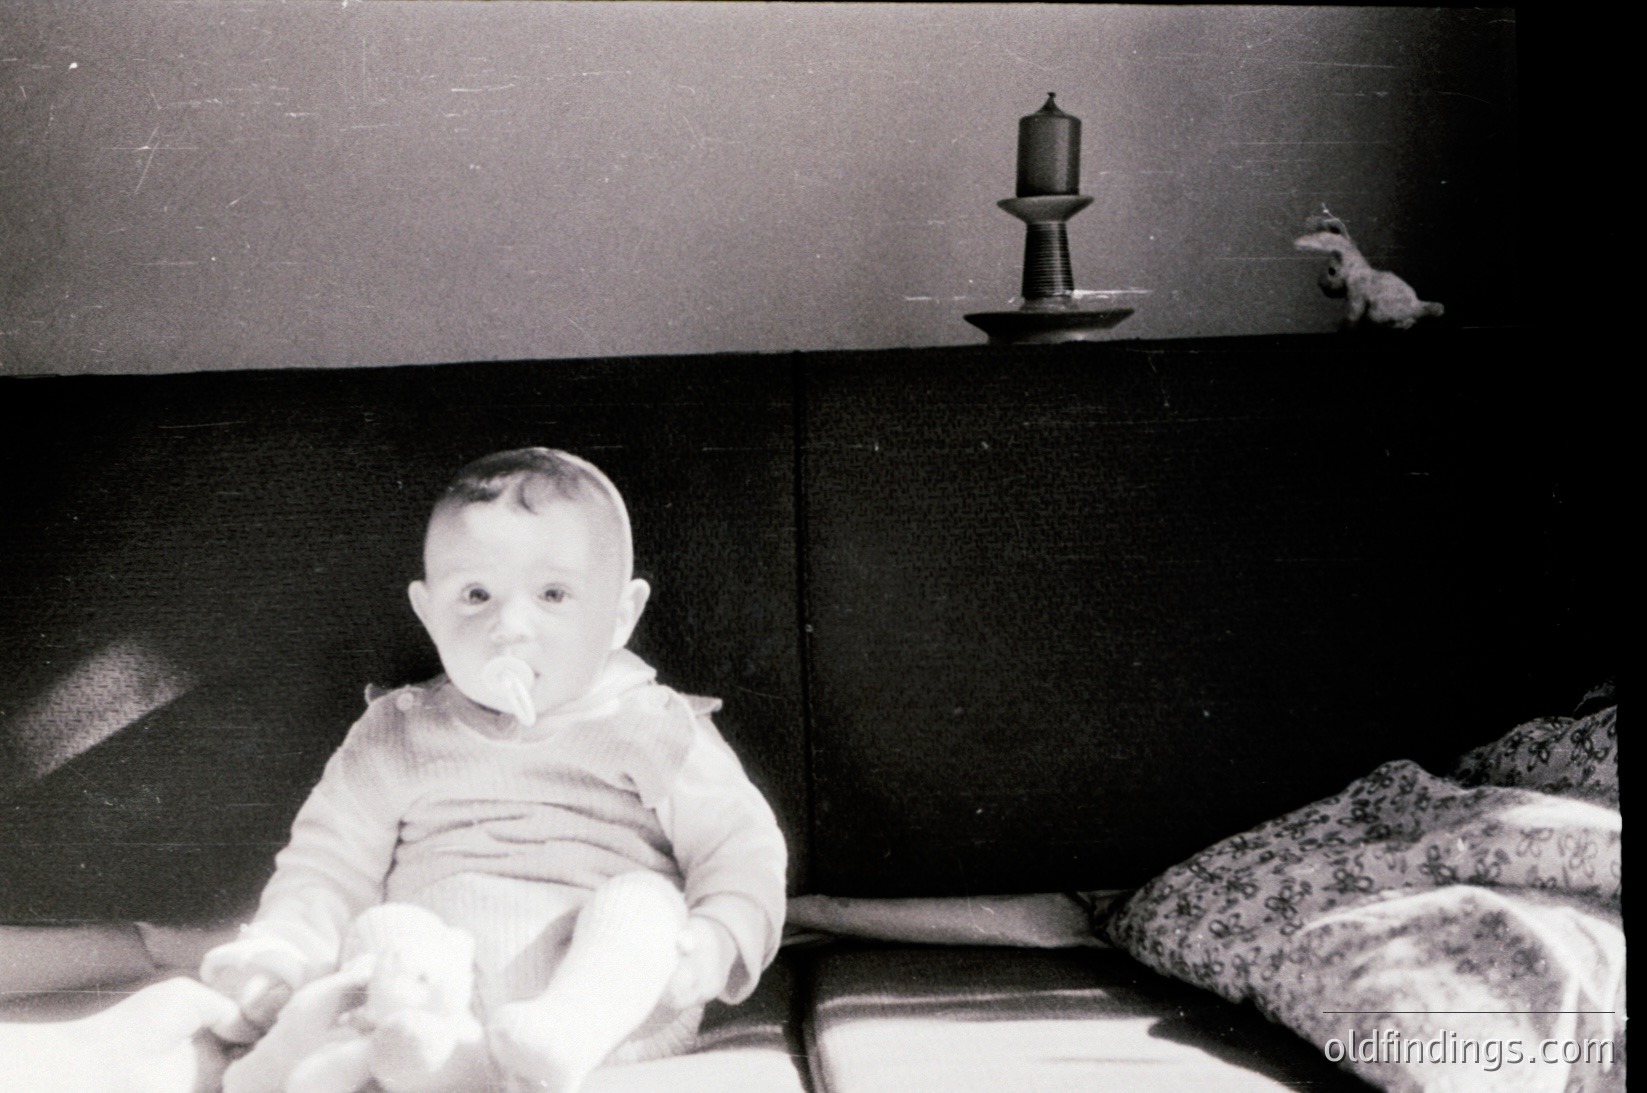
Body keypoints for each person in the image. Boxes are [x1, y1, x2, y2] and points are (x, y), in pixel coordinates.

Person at [198, 448, 788, 1093]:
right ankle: (429, 1061)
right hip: (433, 988)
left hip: (613, 1006)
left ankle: (555, 1040)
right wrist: (283, 951)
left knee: (646, 906)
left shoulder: (653, 725)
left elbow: (742, 847)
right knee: (387, 932)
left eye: (554, 594)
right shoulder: (398, 732)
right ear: (428, 612)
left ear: (621, 616)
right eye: (476, 595)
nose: (511, 627)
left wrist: (719, 936)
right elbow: (327, 866)